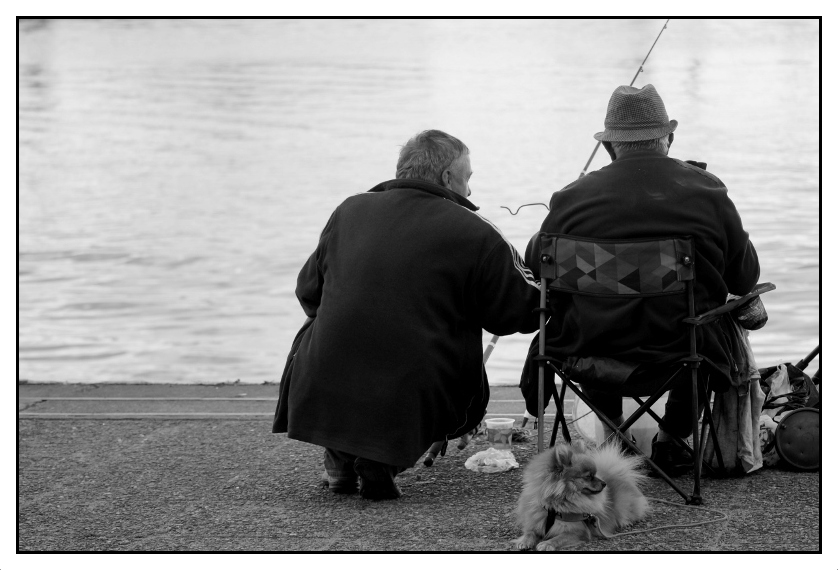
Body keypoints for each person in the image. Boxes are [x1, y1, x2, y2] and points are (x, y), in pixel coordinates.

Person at [273, 129, 541, 499]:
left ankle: (340, 457)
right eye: (468, 178)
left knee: (330, 326)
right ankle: (385, 461)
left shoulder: (349, 209)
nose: (470, 190)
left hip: (321, 379)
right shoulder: (475, 230)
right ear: (448, 177)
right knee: (432, 347)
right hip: (419, 382)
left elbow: (309, 292)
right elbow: (519, 312)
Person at [522, 84, 760, 475]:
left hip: (589, 350)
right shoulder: (707, 190)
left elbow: (539, 272)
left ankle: (614, 436)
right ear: (668, 138)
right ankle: (673, 438)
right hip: (683, 351)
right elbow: (745, 276)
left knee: (592, 308)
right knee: (703, 318)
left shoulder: (570, 198)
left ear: (608, 147)